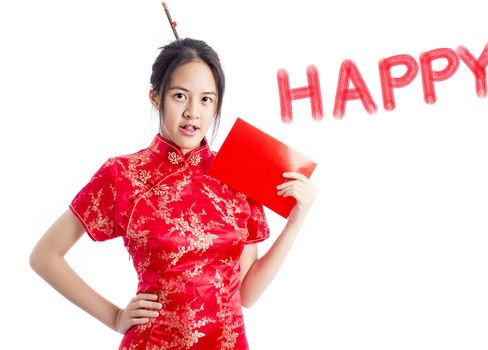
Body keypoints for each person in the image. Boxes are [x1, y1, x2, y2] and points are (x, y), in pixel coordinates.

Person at [29, 38, 316, 349]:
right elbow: (45, 256)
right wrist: (114, 317)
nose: (193, 112)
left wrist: (295, 222)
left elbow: (247, 294)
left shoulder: (238, 171)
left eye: (206, 99)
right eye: (181, 96)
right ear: (156, 98)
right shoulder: (123, 174)